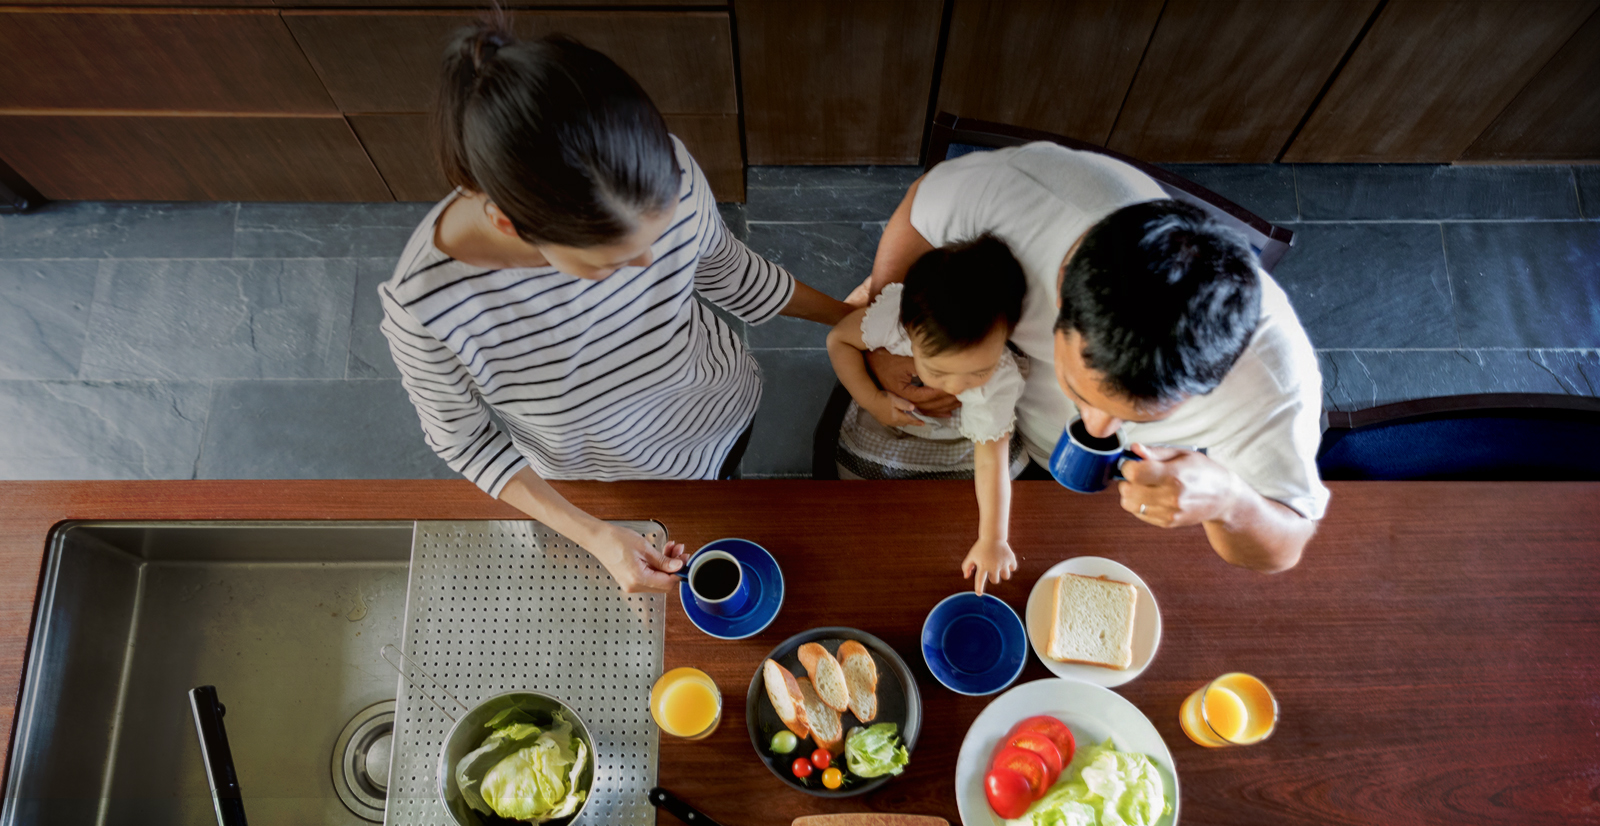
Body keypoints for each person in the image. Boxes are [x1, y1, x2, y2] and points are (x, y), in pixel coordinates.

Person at [379, 25, 850, 592]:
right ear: (511, 224)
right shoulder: (426, 307)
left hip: (716, 416)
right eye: (611, 260)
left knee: (723, 494)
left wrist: (852, 320)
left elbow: (724, 268)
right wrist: (595, 534)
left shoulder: (664, 166)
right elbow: (465, 441)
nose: (652, 261)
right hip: (597, 472)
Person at [861, 143, 1328, 573]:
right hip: (1005, 427)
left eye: (1136, 418)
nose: (1098, 431)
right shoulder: (1024, 198)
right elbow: (921, 207)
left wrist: (1231, 503)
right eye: (1080, 392)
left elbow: (1288, 544)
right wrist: (886, 345)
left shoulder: (1275, 383)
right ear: (1062, 287)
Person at [826, 236, 1028, 594]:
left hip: (963, 434)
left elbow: (990, 463)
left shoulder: (1001, 379)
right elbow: (838, 341)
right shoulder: (892, 321)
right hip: (891, 410)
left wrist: (993, 538)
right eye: (939, 371)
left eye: (978, 372)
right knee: (861, 491)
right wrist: (873, 400)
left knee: (972, 496)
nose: (957, 388)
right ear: (909, 331)